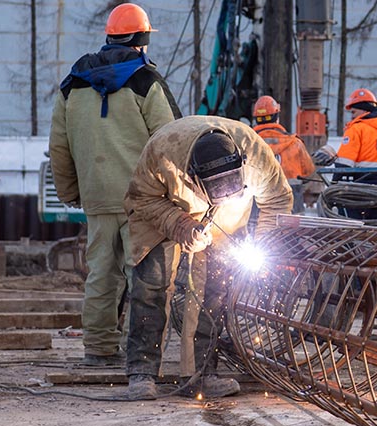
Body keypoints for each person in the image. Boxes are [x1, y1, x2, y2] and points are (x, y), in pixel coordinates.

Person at [48, 2, 181, 367]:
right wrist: (179, 198)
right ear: (142, 40)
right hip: (145, 200)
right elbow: (169, 141)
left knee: (101, 275)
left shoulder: (72, 84)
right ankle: (138, 358)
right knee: (146, 279)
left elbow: (58, 147)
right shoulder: (145, 81)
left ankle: (99, 349)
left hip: (98, 197)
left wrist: (71, 192)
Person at [123, 115, 293, 400]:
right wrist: (180, 225)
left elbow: (276, 200)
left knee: (214, 291)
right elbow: (142, 198)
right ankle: (142, 371)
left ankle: (200, 374)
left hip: (226, 222)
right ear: (192, 175)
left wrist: (266, 244)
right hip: (164, 211)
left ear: (240, 163)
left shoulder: (256, 153)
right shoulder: (163, 151)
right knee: (153, 284)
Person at [335, 88, 377, 221]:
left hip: (360, 187)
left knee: (347, 217)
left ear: (364, 111)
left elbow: (344, 162)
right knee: (375, 227)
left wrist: (334, 184)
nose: (352, 116)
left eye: (353, 112)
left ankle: (351, 242)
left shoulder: (357, 128)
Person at [251, 95, 316, 211]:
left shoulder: (248, 144)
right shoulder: (295, 143)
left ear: (256, 119)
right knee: (295, 229)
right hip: (291, 200)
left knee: (256, 227)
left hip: (258, 202)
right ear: (277, 117)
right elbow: (309, 171)